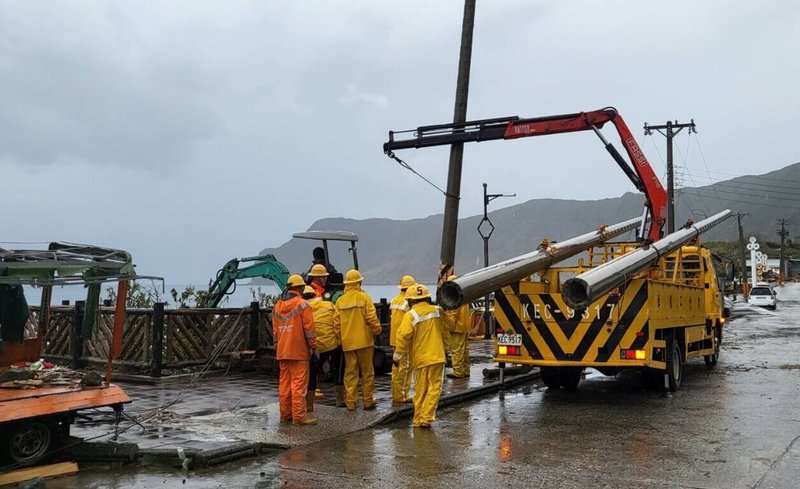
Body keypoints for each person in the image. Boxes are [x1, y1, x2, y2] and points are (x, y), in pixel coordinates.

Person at [394, 284, 453, 428]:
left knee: (420, 390)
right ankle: (426, 418)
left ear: (411, 301)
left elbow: (403, 337)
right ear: (427, 297)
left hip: (420, 359)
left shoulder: (410, 315)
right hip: (437, 357)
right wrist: (447, 349)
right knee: (434, 388)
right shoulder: (438, 311)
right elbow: (449, 327)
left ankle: (418, 419)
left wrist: (397, 357)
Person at [272, 274, 318, 426]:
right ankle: (299, 417)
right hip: (298, 352)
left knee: (284, 385)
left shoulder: (277, 306)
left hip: (283, 352)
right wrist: (313, 347)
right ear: (300, 288)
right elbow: (309, 330)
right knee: (298, 385)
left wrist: (278, 347)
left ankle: (285, 415)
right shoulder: (303, 305)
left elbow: (275, 332)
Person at [336, 269, 381, 411]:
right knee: (367, 372)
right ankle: (368, 401)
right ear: (358, 282)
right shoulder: (364, 297)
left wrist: (339, 339)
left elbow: (336, 324)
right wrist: (377, 330)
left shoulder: (340, 301)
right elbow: (371, 318)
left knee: (350, 373)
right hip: (364, 341)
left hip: (347, 343)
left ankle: (350, 402)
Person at [302, 285, 346, 408]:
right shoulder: (329, 305)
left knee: (311, 373)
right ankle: (339, 399)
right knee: (339, 368)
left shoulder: (302, 308)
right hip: (331, 344)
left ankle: (309, 405)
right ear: (316, 295)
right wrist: (338, 340)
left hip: (314, 347)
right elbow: (337, 322)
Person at [390, 275, 416, 404]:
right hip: (404, 340)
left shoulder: (395, 300)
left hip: (394, 339)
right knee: (405, 368)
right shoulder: (408, 303)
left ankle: (395, 394)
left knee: (396, 369)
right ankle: (403, 395)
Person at [445, 274, 471, 378]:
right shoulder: (463, 294)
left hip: (456, 328)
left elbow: (454, 313)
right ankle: (466, 370)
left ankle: (458, 372)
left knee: (457, 351)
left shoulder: (454, 295)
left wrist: (448, 325)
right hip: (464, 326)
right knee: (464, 350)